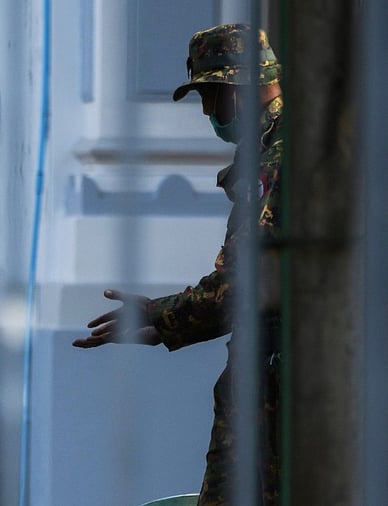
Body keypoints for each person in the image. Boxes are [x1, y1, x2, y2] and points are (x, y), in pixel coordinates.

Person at [73, 24, 284, 505]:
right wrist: (168, 325)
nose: (209, 112)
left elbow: (246, 285)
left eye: (211, 96)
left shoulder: (277, 158)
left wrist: (162, 315)